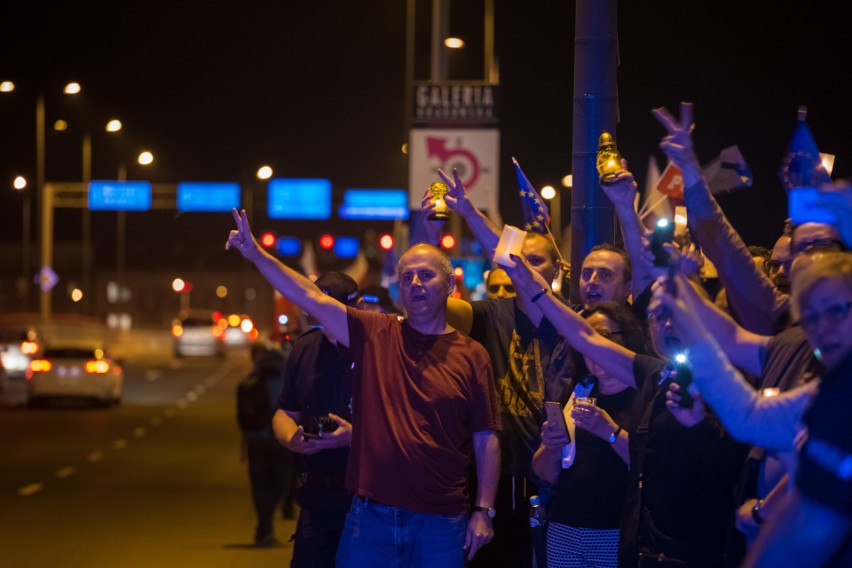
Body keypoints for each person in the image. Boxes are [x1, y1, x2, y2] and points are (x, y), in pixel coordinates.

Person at [226, 209, 502, 567]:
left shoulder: (472, 355)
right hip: (371, 516)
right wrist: (256, 254)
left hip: (441, 519)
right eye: (407, 277)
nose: (415, 283)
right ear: (398, 288)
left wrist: (484, 510)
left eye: (426, 275)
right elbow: (312, 298)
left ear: (450, 286)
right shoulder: (376, 333)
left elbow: (486, 438)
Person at [504, 250, 748, 568]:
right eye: (658, 316)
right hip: (642, 544)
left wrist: (612, 432)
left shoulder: (724, 378)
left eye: (678, 313)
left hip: (702, 546)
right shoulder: (622, 382)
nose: (667, 324)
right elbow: (584, 336)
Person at [654, 251, 852, 567]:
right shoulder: (826, 392)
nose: (822, 328)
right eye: (812, 318)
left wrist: (763, 515)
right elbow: (749, 416)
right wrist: (678, 292)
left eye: (837, 311)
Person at [423, 172, 575, 568]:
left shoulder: (571, 322)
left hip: (552, 480)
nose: (523, 267)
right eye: (519, 259)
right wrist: (432, 239)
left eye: (536, 260)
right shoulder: (491, 313)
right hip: (491, 480)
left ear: (558, 269)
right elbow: (432, 305)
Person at [532, 302, 650, 568]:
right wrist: (551, 447)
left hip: (615, 530)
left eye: (605, 336)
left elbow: (651, 465)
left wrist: (609, 431)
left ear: (627, 339)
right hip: (564, 527)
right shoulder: (578, 392)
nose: (594, 345)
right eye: (586, 335)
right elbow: (543, 473)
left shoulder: (644, 393)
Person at [272, 271, 359, 567]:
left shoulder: (377, 347)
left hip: (367, 499)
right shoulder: (304, 348)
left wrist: (354, 436)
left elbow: (404, 422)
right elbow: (285, 410)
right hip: (317, 497)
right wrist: (291, 438)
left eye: (328, 307)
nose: (320, 315)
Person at [239, 343, 298, 547]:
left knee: (259, 485)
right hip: (280, 443)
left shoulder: (249, 383)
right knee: (277, 484)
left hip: (257, 441)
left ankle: (264, 525)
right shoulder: (287, 383)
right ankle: (265, 524)